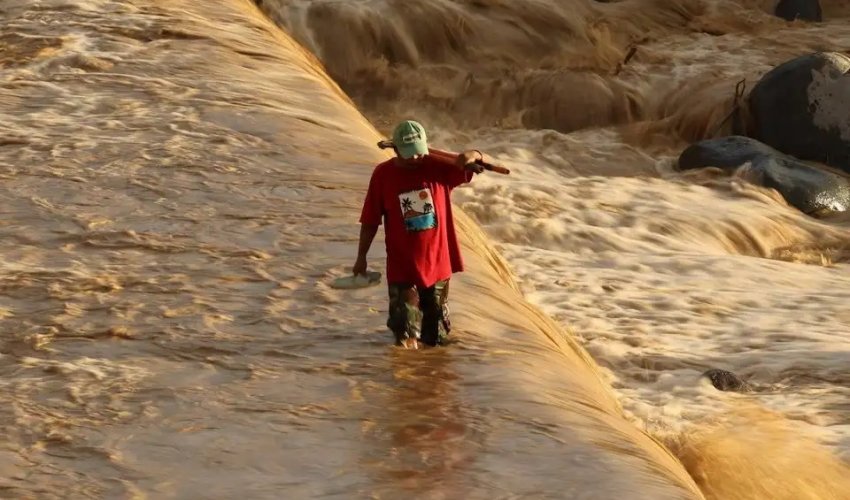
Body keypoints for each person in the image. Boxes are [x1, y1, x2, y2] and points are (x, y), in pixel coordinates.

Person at [353, 120, 486, 349]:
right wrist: (361, 257)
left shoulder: (439, 168)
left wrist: (474, 154)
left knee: (435, 338)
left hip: (436, 264)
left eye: (417, 153)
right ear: (395, 150)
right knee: (404, 332)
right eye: (408, 155)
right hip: (402, 265)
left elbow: (470, 160)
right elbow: (370, 220)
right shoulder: (383, 175)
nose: (415, 159)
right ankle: (407, 381)